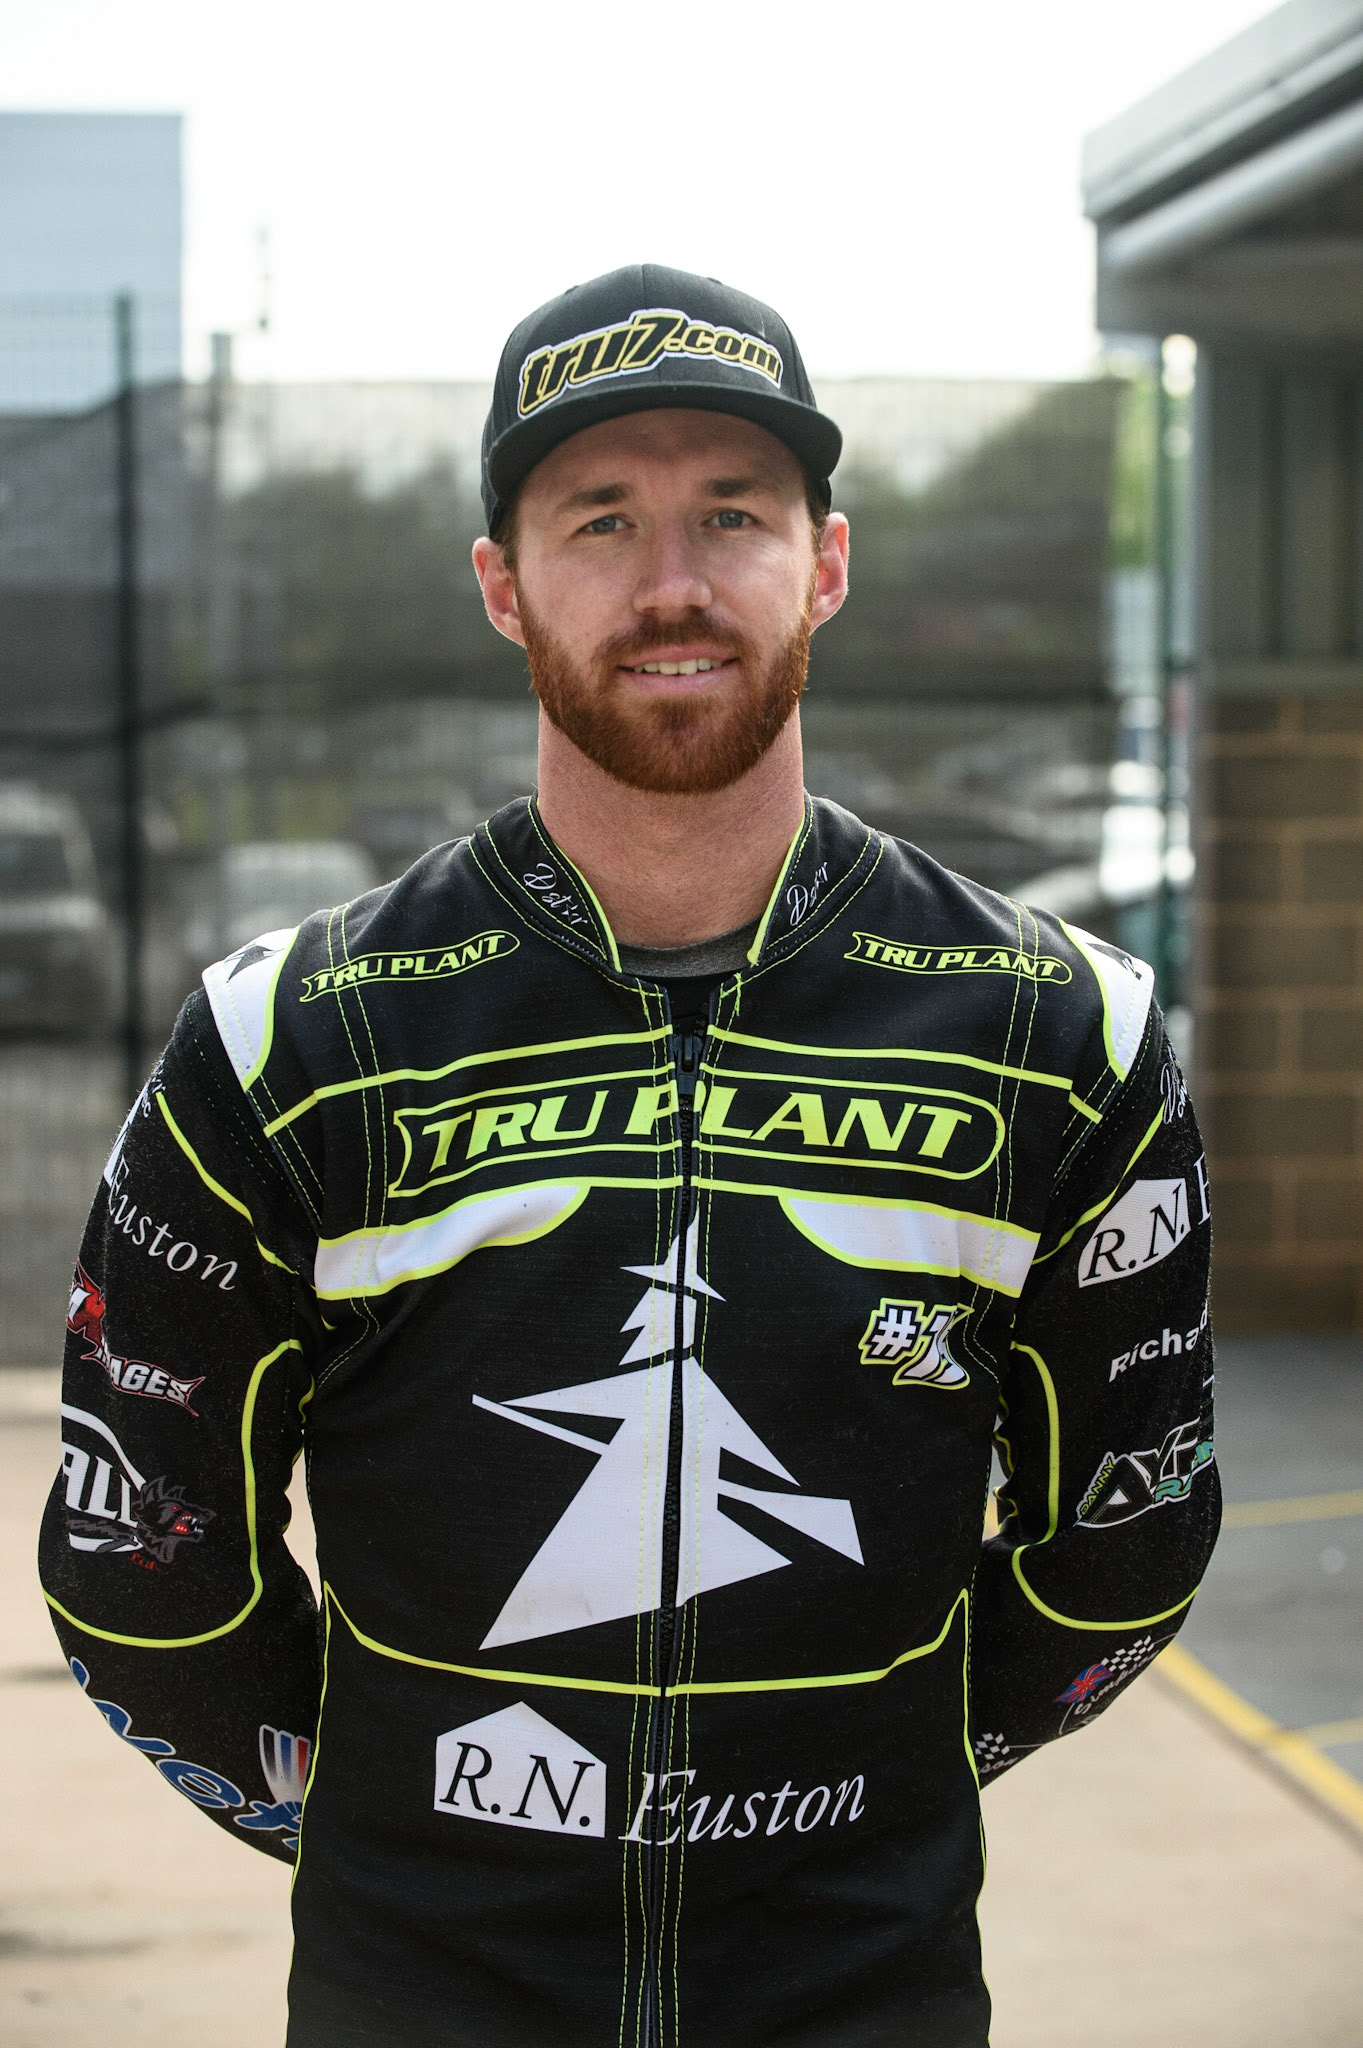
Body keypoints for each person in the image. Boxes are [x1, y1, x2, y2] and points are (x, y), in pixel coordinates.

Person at [40, 264, 1219, 2048]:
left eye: (730, 513)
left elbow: (1131, 1531)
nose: (672, 580)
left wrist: (865, 1776)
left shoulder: (1056, 1030)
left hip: (867, 1993)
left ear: (825, 560)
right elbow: (141, 1563)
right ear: (504, 587)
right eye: (600, 519)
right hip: (417, 1999)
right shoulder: (296, 1040)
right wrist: (388, 1822)